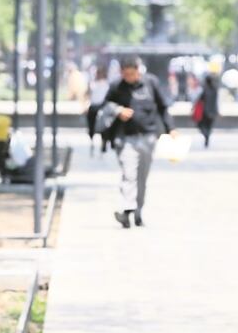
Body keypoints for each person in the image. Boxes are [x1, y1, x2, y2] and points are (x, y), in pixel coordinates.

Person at [103, 57, 176, 228]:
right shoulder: (116, 86)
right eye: (125, 74)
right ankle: (127, 210)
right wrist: (118, 110)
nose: (129, 77)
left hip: (148, 137)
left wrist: (170, 128)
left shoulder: (150, 83)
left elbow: (163, 106)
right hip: (125, 138)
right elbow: (105, 104)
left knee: (142, 177)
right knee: (129, 174)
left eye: (132, 74)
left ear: (138, 71)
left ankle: (138, 212)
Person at [86, 66, 110, 155]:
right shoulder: (93, 84)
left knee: (104, 127)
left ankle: (103, 143)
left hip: (102, 107)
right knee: (91, 127)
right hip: (93, 107)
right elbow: (88, 94)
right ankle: (92, 142)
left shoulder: (107, 84)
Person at [194, 72, 220, 148]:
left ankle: (206, 135)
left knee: (202, 125)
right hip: (213, 111)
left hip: (205, 112)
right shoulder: (215, 89)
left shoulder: (205, 90)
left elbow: (199, 99)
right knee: (209, 126)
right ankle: (207, 136)